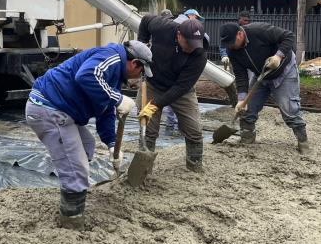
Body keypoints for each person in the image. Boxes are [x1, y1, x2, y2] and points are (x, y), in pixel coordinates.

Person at [25, 41, 153, 229]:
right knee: (76, 168)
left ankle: (73, 191)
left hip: (62, 111)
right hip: (48, 108)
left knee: (87, 146)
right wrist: (117, 98)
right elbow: (86, 75)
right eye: (141, 72)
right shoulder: (112, 57)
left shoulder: (114, 77)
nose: (139, 77)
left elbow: (105, 110)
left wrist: (111, 143)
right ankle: (72, 221)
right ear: (134, 63)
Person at [219, 21, 310, 154]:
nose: (230, 47)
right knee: (247, 109)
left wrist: (278, 56)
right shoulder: (232, 51)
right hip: (261, 75)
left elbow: (289, 36)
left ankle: (303, 143)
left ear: (239, 34)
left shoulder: (258, 30)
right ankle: (247, 138)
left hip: (284, 72)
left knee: (290, 109)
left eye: (232, 43)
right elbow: (241, 76)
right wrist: (241, 98)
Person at [137, 16, 208, 172]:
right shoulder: (163, 27)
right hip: (153, 83)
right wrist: (141, 44)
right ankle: (143, 171)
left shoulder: (200, 53)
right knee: (148, 130)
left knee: (194, 131)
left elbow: (181, 87)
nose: (191, 48)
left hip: (182, 90)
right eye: (188, 43)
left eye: (195, 44)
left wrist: (155, 104)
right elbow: (146, 20)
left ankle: (194, 168)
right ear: (179, 35)